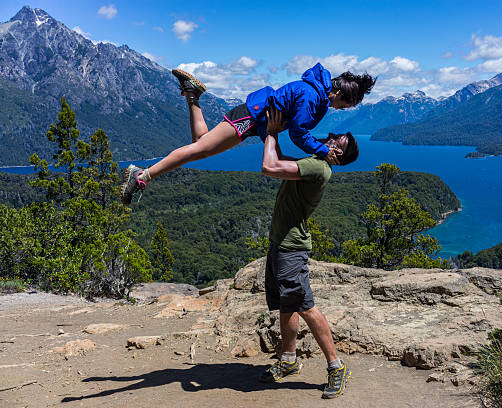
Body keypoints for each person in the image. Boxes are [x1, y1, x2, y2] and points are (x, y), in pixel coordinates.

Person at [120, 63, 375, 204]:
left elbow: (297, 129)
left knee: (201, 144)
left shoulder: (315, 94)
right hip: (251, 118)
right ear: (340, 94)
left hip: (259, 122)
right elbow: (299, 134)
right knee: (199, 150)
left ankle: (192, 95)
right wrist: (322, 150)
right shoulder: (312, 97)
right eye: (347, 105)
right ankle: (143, 176)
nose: (343, 109)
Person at [258, 108, 358, 399]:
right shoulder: (314, 162)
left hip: (291, 249)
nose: (334, 137)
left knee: (305, 305)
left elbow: (268, 168)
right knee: (287, 305)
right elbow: (278, 161)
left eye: (339, 142)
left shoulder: (318, 168)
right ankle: (288, 360)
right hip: (280, 244)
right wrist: (271, 136)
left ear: (337, 155)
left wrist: (272, 132)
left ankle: (336, 367)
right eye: (338, 136)